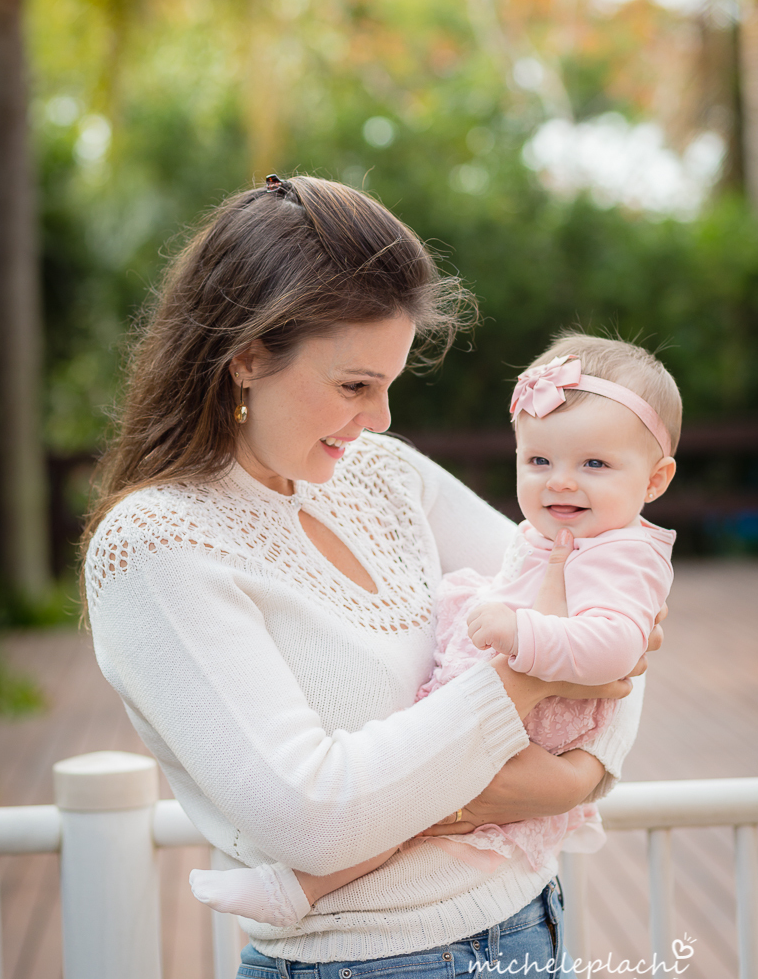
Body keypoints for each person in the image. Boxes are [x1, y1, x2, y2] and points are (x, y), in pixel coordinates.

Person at [83, 176, 664, 979]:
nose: (382, 418)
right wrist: (528, 686)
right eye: (355, 385)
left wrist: (583, 775)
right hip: (365, 973)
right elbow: (316, 818)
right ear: (247, 357)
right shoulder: (158, 545)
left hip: (533, 935)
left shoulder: (383, 473)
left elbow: (620, 610)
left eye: (389, 384)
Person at [190, 332, 679, 925]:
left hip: (531, 734)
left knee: (408, 809)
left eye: (594, 464)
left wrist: (528, 650)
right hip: (502, 727)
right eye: (538, 461)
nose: (560, 482)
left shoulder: (623, 552)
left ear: (655, 481)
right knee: (405, 806)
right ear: (247, 361)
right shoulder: (564, 532)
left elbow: (621, 651)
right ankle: (294, 890)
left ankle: (294, 891)